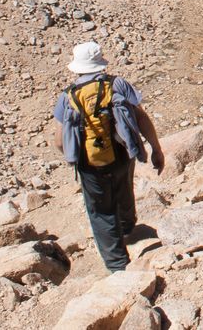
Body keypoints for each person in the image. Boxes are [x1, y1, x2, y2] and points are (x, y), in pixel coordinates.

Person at [52, 41, 165, 272]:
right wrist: (156, 148)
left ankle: (117, 265)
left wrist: (74, 157)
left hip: (90, 163)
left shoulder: (68, 97)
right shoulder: (117, 85)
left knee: (101, 211)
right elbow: (141, 117)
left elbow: (58, 139)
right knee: (123, 188)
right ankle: (126, 226)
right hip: (122, 154)